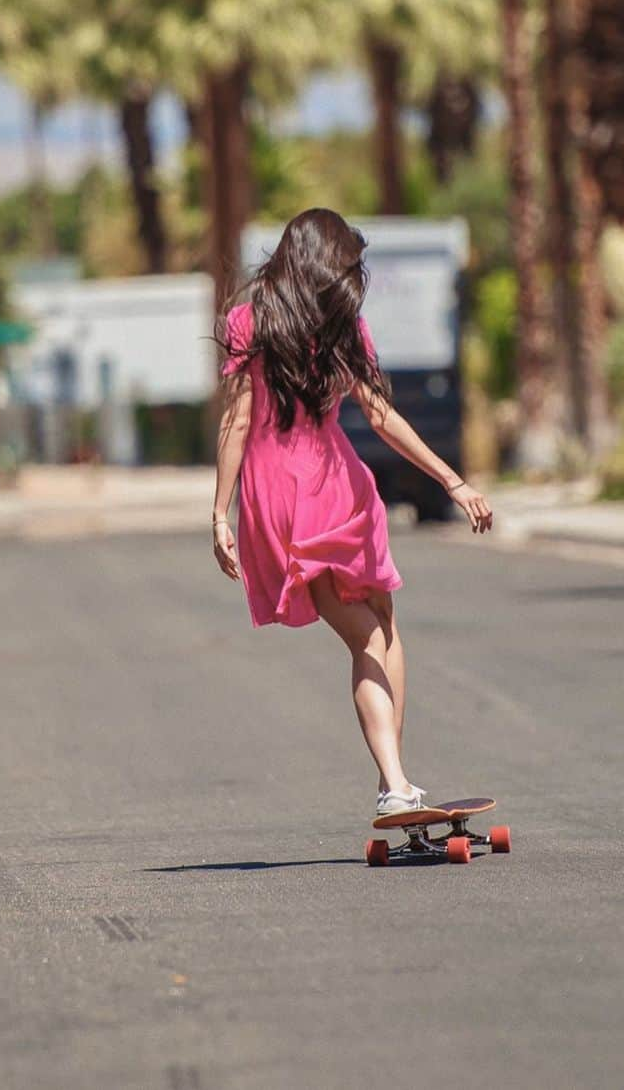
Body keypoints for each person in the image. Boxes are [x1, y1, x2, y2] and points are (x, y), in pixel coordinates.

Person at [210, 208, 493, 818]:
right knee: (366, 634)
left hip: (338, 489)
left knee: (386, 622)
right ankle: (393, 785)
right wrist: (218, 515)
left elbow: (379, 414)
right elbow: (237, 420)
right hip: (297, 500)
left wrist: (453, 480)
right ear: (316, 259)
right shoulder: (254, 323)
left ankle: (399, 779)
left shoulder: (327, 325)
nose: (351, 275)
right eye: (345, 262)